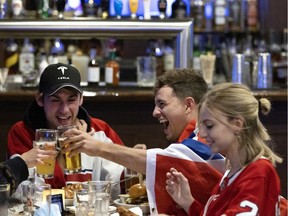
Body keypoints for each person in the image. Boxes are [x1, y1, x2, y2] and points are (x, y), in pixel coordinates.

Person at [61, 68, 226, 214]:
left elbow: (161, 160)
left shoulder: (206, 138)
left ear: (189, 105)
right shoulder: (189, 139)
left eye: (162, 104)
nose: (155, 112)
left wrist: (96, 147)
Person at [165, 82, 285, 215]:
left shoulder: (259, 172)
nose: (203, 134)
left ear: (237, 124)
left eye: (209, 125)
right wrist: (188, 202)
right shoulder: (231, 172)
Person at [7, 62, 125, 197]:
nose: (64, 109)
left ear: (81, 99)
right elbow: (23, 194)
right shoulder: (22, 132)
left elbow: (121, 183)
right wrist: (62, 151)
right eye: (55, 100)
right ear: (40, 99)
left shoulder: (100, 129)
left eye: (71, 99)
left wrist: (134, 163)